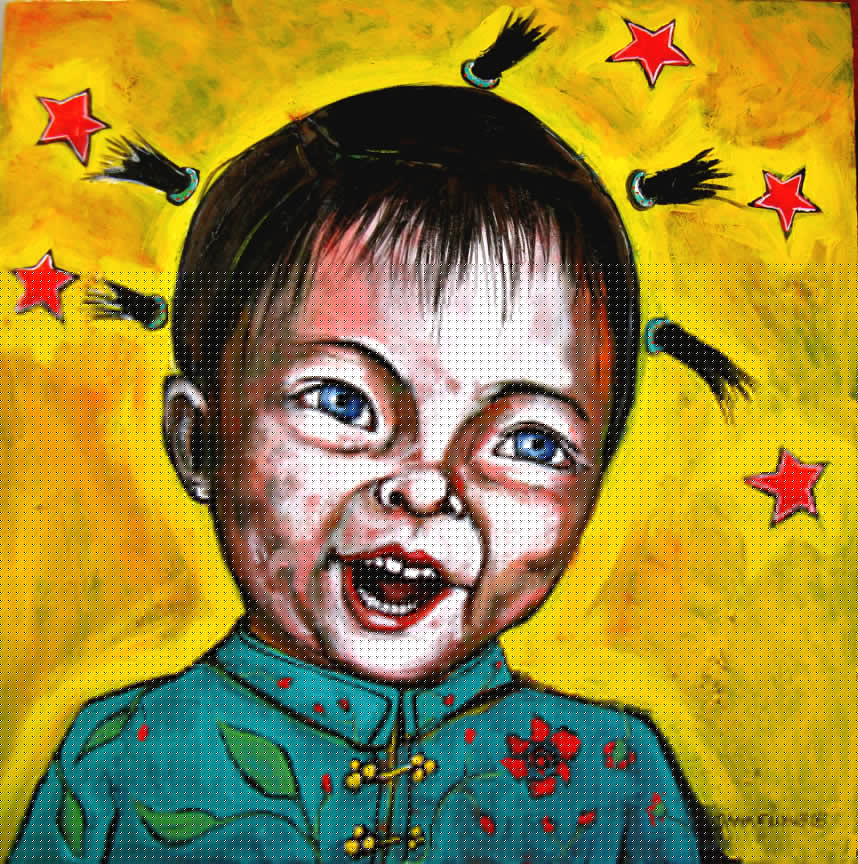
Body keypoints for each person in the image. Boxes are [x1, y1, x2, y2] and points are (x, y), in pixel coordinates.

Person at [9, 18, 743, 864]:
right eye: (343, 403)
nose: (428, 487)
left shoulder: (616, 779)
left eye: (531, 443)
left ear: (594, 489)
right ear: (198, 440)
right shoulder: (120, 761)